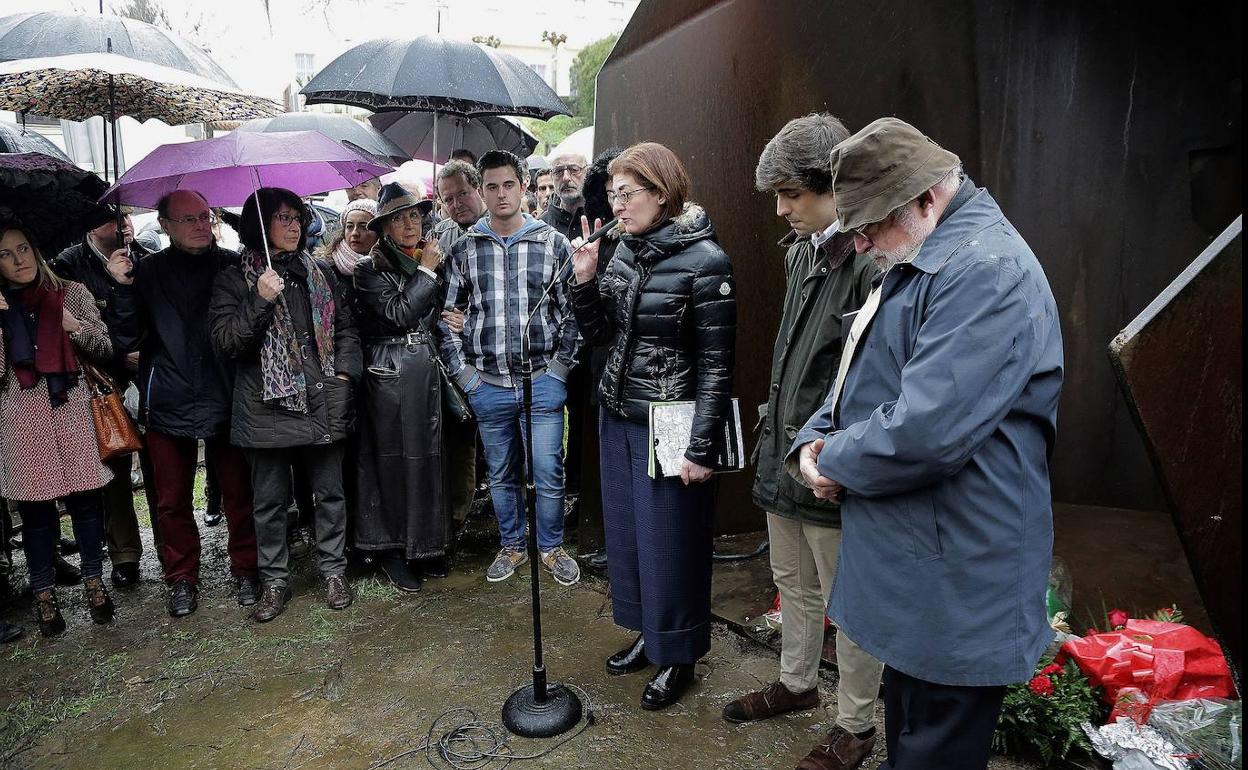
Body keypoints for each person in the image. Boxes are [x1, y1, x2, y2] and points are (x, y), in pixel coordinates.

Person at [789, 118, 1063, 770]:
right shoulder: (925, 251)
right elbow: (858, 370)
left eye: (869, 227)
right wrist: (812, 438)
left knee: (934, 748)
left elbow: (926, 430)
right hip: (928, 569)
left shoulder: (986, 271)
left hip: (958, 576)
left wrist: (832, 461)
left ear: (925, 199)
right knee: (912, 737)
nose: (860, 243)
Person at [720, 114, 883, 770]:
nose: (782, 209)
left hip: (829, 465)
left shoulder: (872, 261)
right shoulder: (800, 252)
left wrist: (839, 457)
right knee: (791, 578)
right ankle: (795, 683)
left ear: (834, 186)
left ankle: (857, 725)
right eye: (778, 196)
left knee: (851, 602)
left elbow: (874, 380)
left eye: (793, 194)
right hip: (782, 451)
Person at [568, 142, 736, 711]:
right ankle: (650, 634)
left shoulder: (707, 261)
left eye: (628, 194)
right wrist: (584, 282)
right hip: (618, 413)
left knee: (672, 543)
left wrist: (702, 446)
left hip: (671, 422)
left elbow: (717, 365)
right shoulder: (621, 251)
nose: (617, 205)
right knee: (630, 537)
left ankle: (680, 655)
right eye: (612, 195)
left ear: (662, 193)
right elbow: (601, 336)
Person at [104, 190, 260, 617]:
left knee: (237, 491)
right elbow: (126, 339)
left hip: (227, 394)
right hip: (168, 397)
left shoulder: (232, 264)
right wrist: (121, 290)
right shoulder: (146, 272)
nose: (200, 225)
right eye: (188, 219)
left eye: (205, 217)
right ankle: (181, 577)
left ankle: (247, 568)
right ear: (166, 225)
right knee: (171, 499)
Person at [210, 187, 362, 623]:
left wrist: (344, 377)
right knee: (269, 503)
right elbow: (227, 343)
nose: (294, 226)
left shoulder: (320, 272)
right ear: (259, 224)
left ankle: (333, 571)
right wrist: (258, 298)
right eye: (282, 218)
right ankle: (274, 580)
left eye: (298, 217)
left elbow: (347, 330)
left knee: (330, 493)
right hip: (265, 407)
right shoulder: (234, 278)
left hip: (322, 399)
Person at [438, 150, 581, 587]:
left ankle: (551, 547)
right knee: (500, 472)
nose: (501, 194)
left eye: (509, 185)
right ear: (482, 191)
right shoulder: (465, 249)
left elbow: (573, 315)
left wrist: (559, 371)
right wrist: (467, 379)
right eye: (492, 186)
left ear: (523, 186)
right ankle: (513, 545)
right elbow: (447, 318)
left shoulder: (552, 243)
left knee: (546, 468)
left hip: (542, 382)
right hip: (489, 385)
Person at [0, 221, 117, 636]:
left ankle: (94, 582)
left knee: (87, 505)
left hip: (72, 411)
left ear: (35, 249)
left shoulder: (72, 292)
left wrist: (75, 327)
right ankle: (44, 595)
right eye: (5, 254)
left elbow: (105, 348)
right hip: (22, 418)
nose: (18, 261)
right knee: (36, 516)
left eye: (23, 249)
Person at [352, 183, 450, 591]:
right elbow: (399, 313)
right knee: (390, 461)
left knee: (427, 458)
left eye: (414, 215)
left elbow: (437, 311)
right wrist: (426, 271)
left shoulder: (431, 257)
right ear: (385, 228)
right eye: (398, 218)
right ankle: (392, 549)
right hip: (387, 374)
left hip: (424, 370)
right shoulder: (368, 270)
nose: (409, 224)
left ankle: (425, 545)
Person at [50, 212, 152, 588]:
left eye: (125, 217)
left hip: (149, 376)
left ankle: (171, 549)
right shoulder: (68, 266)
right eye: (112, 219)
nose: (123, 224)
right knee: (114, 470)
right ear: (92, 225)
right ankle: (125, 555)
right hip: (101, 382)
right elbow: (70, 329)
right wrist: (116, 354)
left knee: (158, 469)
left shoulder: (144, 255)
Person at [428, 160, 485, 538]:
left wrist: (476, 323)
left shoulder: (505, 226)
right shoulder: (441, 236)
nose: (456, 204)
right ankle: (460, 517)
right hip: (455, 360)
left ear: (478, 187)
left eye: (462, 193)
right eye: (448, 199)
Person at [540, 153, 588, 241]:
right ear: (552, 177)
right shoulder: (542, 226)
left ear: (587, 172)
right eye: (558, 171)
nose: (566, 178)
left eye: (574, 169)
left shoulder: (603, 219)